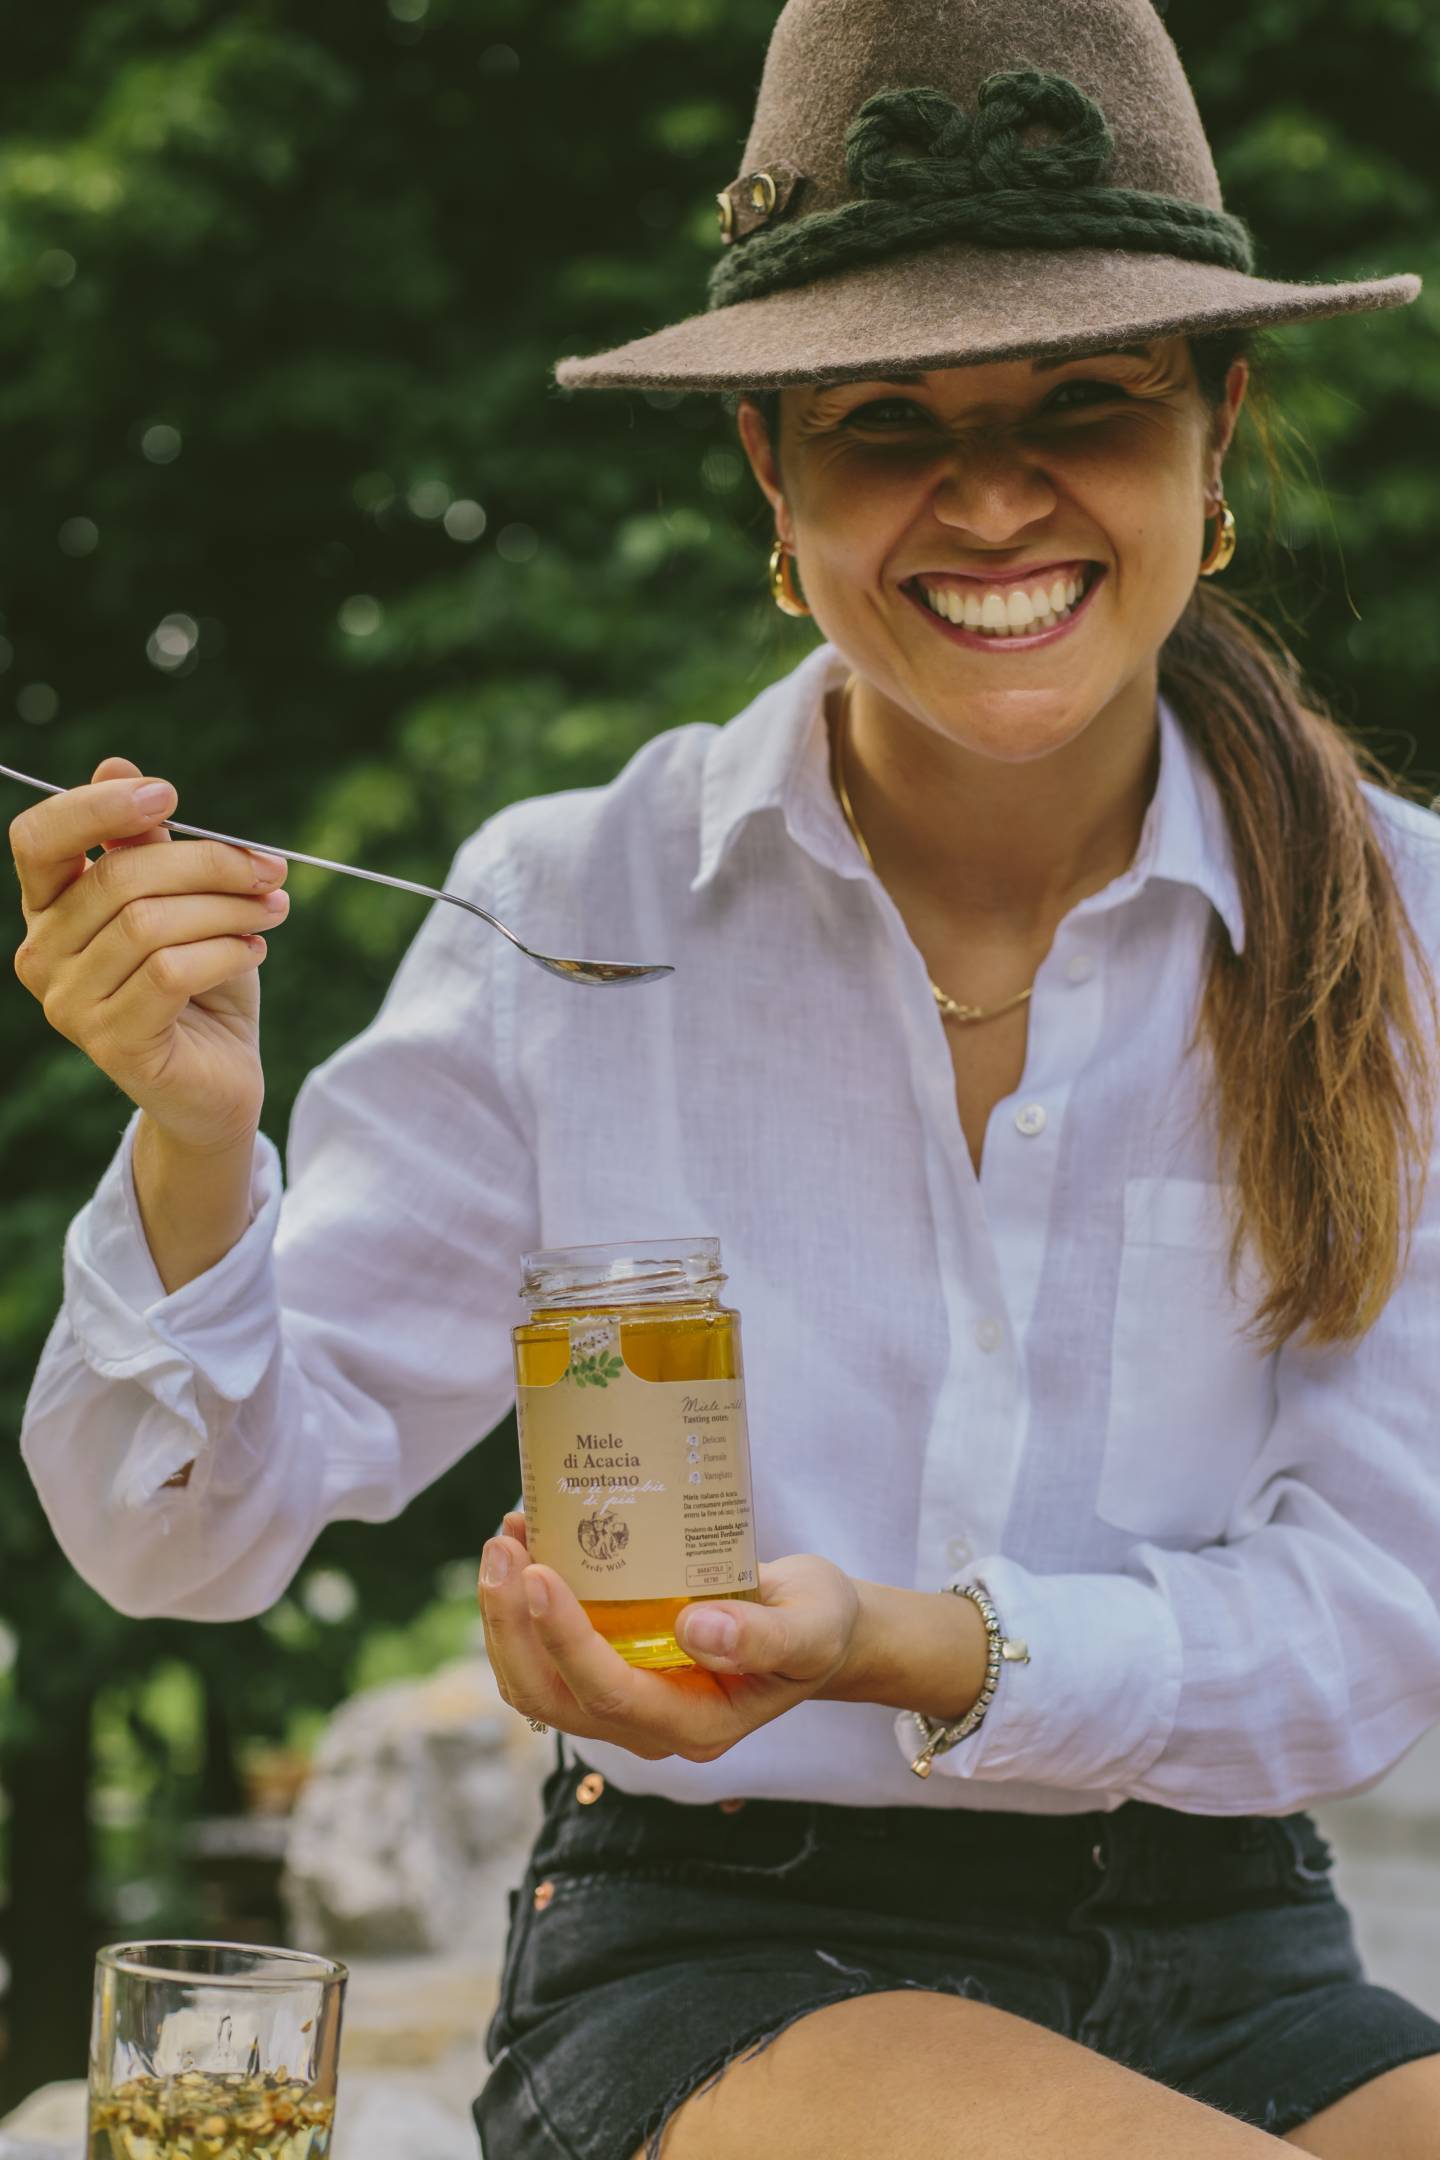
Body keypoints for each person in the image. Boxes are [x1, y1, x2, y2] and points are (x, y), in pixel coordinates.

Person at [10, 0, 1440, 2151]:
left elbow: (1376, 1628)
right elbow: (185, 1539)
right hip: (722, 1950)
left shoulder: (1403, 931)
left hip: (1246, 1951)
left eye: (1085, 400)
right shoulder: (575, 908)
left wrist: (910, 1643)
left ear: (1217, 437)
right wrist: (199, 1137)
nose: (990, 493)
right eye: (885, 420)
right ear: (773, 472)